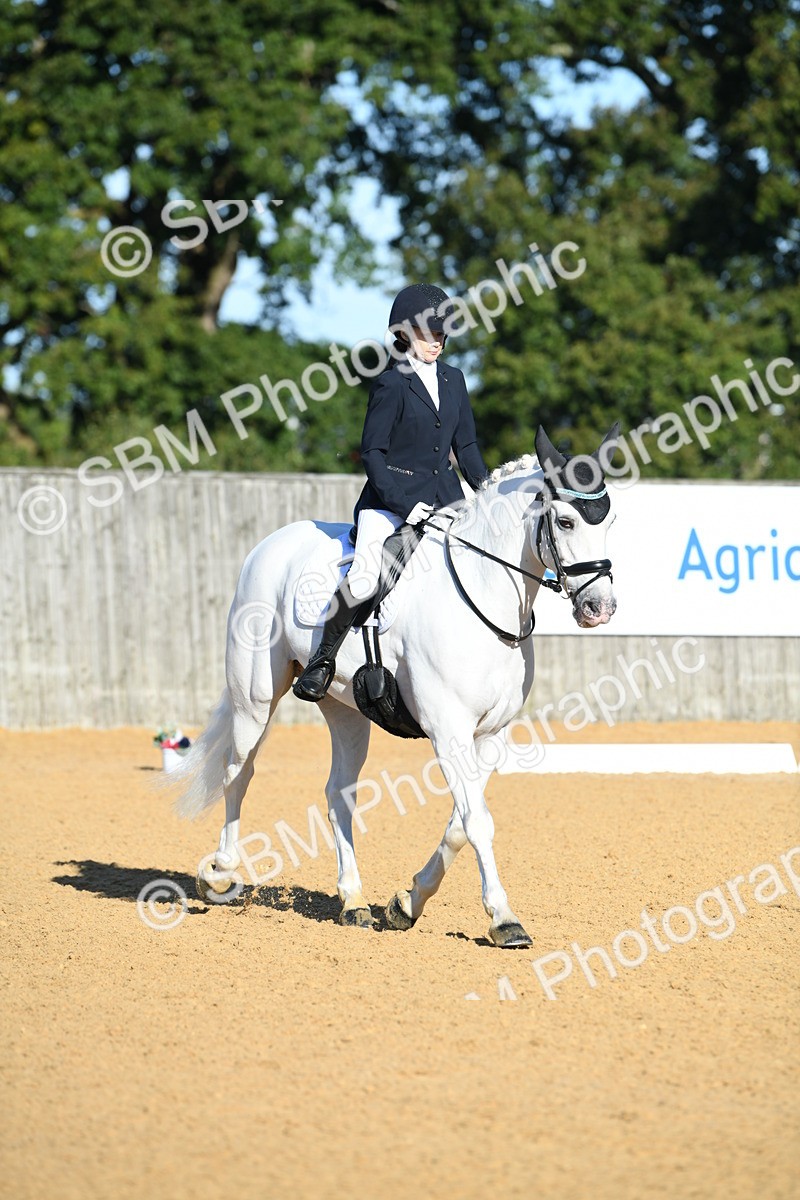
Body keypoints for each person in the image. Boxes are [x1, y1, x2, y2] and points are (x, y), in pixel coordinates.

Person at [292, 282, 489, 702]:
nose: (436, 341)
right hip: (389, 503)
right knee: (364, 578)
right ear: (404, 332)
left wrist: (486, 493)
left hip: (447, 500)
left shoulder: (454, 380)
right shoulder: (391, 382)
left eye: (441, 334)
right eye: (427, 333)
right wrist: (404, 504)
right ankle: (322, 661)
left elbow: (466, 447)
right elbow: (373, 453)